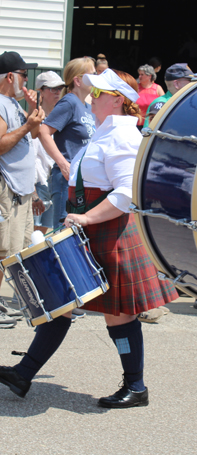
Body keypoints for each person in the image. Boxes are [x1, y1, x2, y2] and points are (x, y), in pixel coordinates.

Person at [0, 68, 179, 408]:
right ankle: (23, 373)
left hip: (110, 231)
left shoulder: (124, 137)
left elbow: (126, 194)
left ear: (116, 100)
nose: (90, 97)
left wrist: (85, 217)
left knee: (120, 315)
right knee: (63, 302)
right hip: (90, 230)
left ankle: (136, 386)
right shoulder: (104, 132)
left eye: (98, 94)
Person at [0, 51, 43, 326]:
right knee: (2, 250)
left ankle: (8, 303)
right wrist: (28, 124)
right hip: (8, 190)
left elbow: (35, 134)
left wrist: (32, 116)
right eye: (25, 75)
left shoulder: (14, 104)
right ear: (11, 77)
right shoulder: (1, 104)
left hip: (23, 190)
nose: (27, 80)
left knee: (18, 250)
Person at [38, 57, 96, 228]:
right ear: (77, 81)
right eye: (91, 75)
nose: (95, 79)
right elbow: (44, 131)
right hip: (67, 180)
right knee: (64, 233)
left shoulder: (86, 105)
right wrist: (63, 164)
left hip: (80, 180)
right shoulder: (69, 102)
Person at [32, 71, 65, 233]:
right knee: (32, 235)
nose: (58, 92)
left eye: (60, 88)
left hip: (55, 182)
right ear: (41, 91)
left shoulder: (63, 118)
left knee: (46, 232)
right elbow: (31, 158)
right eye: (53, 88)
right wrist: (34, 192)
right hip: (39, 185)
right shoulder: (34, 118)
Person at [143, 63, 194, 129]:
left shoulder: (183, 102)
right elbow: (150, 133)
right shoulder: (162, 104)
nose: (193, 84)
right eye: (190, 80)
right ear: (176, 84)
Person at [136, 64, 164, 130]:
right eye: (139, 74)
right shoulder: (135, 88)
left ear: (149, 76)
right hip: (137, 124)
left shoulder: (157, 88)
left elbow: (165, 104)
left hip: (152, 124)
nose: (139, 76)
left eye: (142, 74)